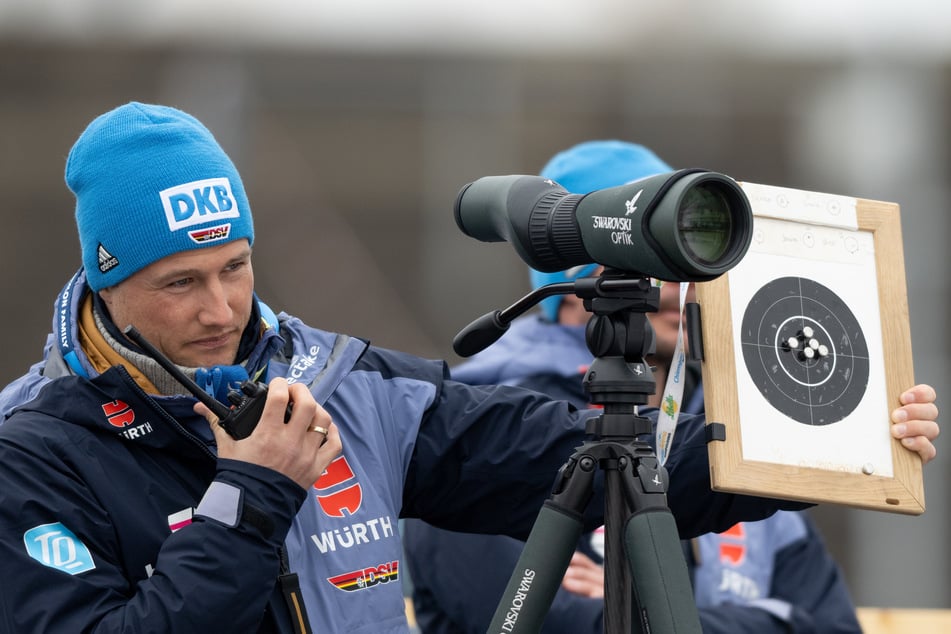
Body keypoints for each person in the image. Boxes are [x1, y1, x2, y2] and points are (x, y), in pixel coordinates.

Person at [0, 106, 936, 634]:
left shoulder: (346, 387)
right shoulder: (34, 451)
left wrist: (830, 439)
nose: (219, 308)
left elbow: (576, 456)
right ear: (105, 281)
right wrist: (246, 498)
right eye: (180, 283)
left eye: (235, 267)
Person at [403, 140, 931, 633]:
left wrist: (640, 617)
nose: (685, 283)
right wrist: (770, 618)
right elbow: (546, 622)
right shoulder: (485, 433)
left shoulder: (726, 432)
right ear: (577, 284)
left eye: (690, 259)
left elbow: (832, 625)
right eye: (657, 262)